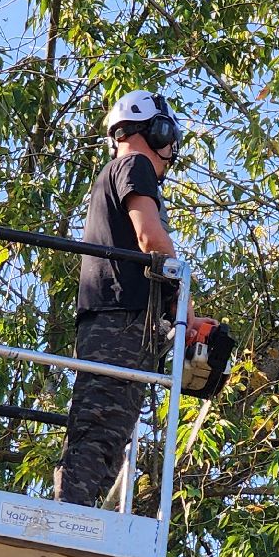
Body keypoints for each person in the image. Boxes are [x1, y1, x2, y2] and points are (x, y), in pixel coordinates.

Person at [54, 90, 183, 508]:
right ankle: (72, 514)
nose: (170, 152)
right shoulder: (134, 165)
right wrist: (183, 301)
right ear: (157, 131)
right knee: (102, 426)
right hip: (120, 319)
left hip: (117, 320)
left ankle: (78, 508)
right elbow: (151, 238)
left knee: (108, 427)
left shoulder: (116, 172)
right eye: (169, 138)